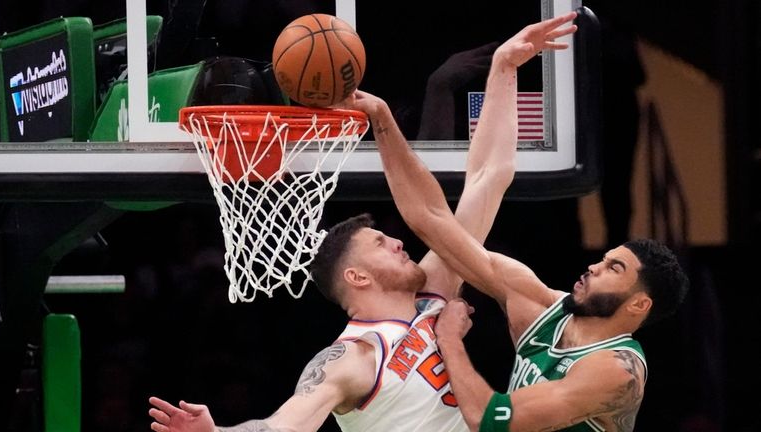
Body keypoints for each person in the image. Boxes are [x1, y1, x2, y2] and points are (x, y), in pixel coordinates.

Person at [147, 12, 579, 432]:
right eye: (380, 243)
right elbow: (286, 425)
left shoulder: (431, 296)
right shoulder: (352, 358)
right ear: (356, 276)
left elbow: (489, 177)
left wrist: (503, 67)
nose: (397, 241)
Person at [348, 34, 690, 432]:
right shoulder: (539, 306)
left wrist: (450, 340)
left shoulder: (617, 372)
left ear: (638, 305)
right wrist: (501, 70)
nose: (594, 266)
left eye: (614, 268)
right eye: (604, 257)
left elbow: (489, 419)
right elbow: (433, 219)